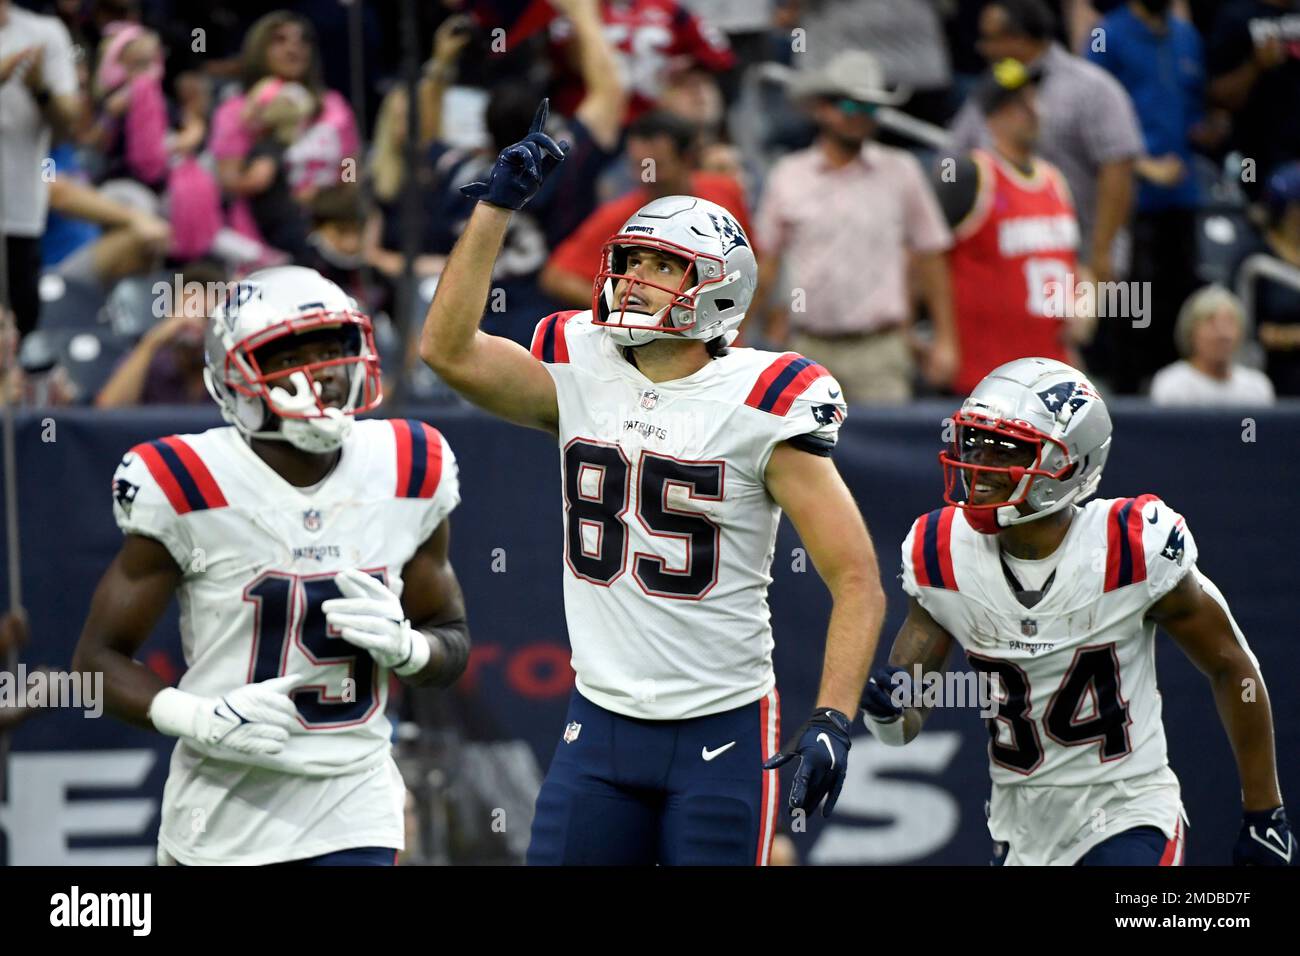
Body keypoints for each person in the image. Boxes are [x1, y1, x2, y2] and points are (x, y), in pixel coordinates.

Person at [420, 101, 886, 865]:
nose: (635, 280)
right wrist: (495, 208)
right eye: (631, 261)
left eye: (663, 266)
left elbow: (857, 578)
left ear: (718, 292)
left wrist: (833, 715)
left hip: (723, 724)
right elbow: (447, 351)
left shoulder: (765, 400)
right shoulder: (582, 363)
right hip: (599, 720)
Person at [72, 266, 470, 866]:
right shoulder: (185, 481)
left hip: (352, 805)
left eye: (333, 347)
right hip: (222, 817)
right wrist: (200, 718)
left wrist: (412, 651)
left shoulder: (409, 463)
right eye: (289, 353)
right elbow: (96, 664)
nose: (321, 373)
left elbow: (452, 639)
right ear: (234, 377)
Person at [862, 357, 1291, 866]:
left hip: (1128, 811)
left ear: (1067, 464)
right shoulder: (940, 550)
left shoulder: (1131, 546)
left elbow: (1231, 665)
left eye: (1004, 450)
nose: (978, 463)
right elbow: (906, 719)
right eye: (974, 441)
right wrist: (886, 713)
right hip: (1019, 828)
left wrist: (1266, 814)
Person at [754, 50, 957, 402]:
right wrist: (742, 334)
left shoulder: (902, 171)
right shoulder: (788, 175)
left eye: (870, 107)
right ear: (821, 108)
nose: (859, 116)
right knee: (806, 454)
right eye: (849, 106)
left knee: (885, 455)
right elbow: (765, 263)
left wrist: (945, 339)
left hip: (881, 350)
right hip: (808, 348)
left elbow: (931, 255)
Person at [949, 0, 1142, 284]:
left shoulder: (1091, 88)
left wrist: (1101, 252)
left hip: (1080, 256)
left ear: (1018, 39)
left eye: (990, 39)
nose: (982, 48)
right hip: (1009, 258)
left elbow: (1119, 167)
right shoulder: (988, 92)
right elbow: (950, 158)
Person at [936, 59, 1087, 395]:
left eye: (1034, 99)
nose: (1033, 111)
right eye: (1020, 104)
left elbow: (1077, 262)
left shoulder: (1055, 180)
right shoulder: (970, 175)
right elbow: (924, 257)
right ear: (994, 115)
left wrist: (1084, 305)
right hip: (984, 374)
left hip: (1051, 374)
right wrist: (942, 339)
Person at [541, 109, 754, 310]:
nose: (646, 177)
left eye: (656, 166)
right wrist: (628, 308)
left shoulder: (726, 192)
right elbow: (556, 277)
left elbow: (753, 259)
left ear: (687, 158)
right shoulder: (620, 217)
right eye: (638, 166)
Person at [0, 0, 84, 338]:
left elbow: (70, 124)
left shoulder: (43, 33)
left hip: (20, 209)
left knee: (22, 327)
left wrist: (40, 89)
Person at [1149, 285, 1275, 406]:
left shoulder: (1257, 387)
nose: (1223, 334)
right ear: (1191, 332)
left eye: (1230, 323)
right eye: (1211, 323)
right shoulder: (1172, 384)